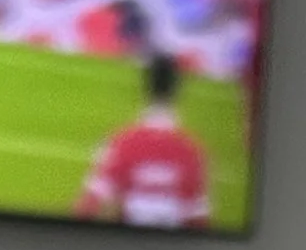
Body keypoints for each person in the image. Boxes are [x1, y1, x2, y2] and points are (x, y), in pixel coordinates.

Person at [77, 52, 213, 227]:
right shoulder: (193, 151)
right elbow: (198, 220)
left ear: (145, 86)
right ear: (178, 90)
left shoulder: (123, 142)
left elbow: (89, 204)